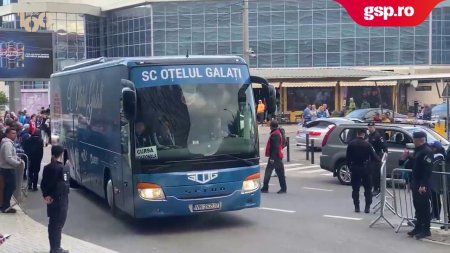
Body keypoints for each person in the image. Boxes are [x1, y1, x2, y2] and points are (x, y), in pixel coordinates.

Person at [400, 131, 433, 239]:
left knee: (424, 207)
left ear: (420, 139)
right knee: (417, 206)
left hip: (422, 183)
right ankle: (418, 227)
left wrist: (423, 185)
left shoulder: (427, 151)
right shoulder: (418, 150)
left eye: (414, 139)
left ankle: (426, 229)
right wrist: (408, 156)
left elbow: (427, 170)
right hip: (415, 181)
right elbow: (414, 164)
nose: (413, 141)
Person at [41, 145, 70, 253]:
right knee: (58, 224)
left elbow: (44, 184)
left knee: (52, 223)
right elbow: (64, 186)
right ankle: (56, 248)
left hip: (50, 200)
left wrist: (46, 195)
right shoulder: (63, 168)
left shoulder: (47, 167)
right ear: (61, 154)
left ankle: (53, 247)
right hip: (60, 200)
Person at [347, 129, 380, 213]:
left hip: (355, 168)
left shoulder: (351, 144)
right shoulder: (368, 144)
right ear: (364, 135)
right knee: (368, 189)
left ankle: (357, 207)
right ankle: (367, 207)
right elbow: (374, 157)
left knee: (355, 189)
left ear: (357, 134)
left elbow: (348, 158)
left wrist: (350, 168)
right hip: (366, 168)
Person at [0, 128, 25, 213]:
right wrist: (17, 163)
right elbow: (8, 158)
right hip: (8, 169)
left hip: (8, 168)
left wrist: (17, 158)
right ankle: (6, 206)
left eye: (15, 133)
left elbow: (12, 155)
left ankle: (5, 205)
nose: (15, 135)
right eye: (12, 133)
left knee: (8, 187)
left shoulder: (9, 143)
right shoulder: (7, 144)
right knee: (11, 187)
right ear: (7, 134)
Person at [261, 120, 286, 194]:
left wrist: (272, 158)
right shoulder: (278, 132)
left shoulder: (275, 134)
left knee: (276, 173)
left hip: (275, 157)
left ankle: (282, 188)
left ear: (271, 126)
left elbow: (275, 147)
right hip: (277, 156)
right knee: (275, 172)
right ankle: (266, 187)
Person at [368, 122, 388, 196]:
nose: (370, 129)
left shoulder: (378, 136)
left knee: (376, 174)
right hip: (371, 157)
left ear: (374, 127)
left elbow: (384, 146)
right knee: (372, 174)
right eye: (369, 127)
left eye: (371, 127)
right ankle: (374, 188)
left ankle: (377, 189)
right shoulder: (370, 135)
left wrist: (385, 153)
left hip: (377, 156)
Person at [429, 141, 445, 221]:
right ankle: (433, 214)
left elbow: (432, 165)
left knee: (435, 198)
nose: (431, 148)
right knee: (432, 198)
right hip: (432, 180)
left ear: (436, 148)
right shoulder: (433, 155)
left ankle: (436, 215)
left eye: (433, 147)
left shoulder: (439, 157)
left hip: (436, 181)